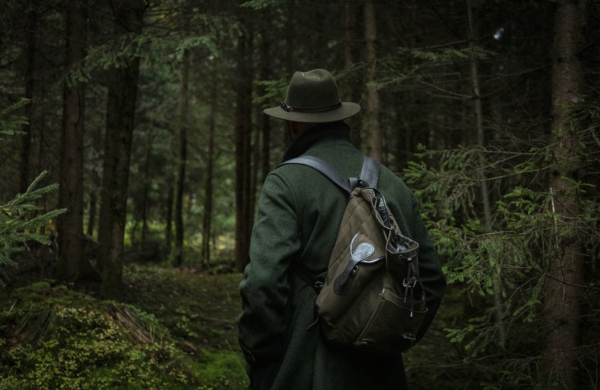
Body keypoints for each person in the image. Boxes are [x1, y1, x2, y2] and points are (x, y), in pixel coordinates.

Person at [237, 69, 446, 390]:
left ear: (293, 125)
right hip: (382, 371)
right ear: (340, 120)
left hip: (303, 367)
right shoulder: (394, 184)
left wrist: (262, 352)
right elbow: (430, 279)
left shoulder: (285, 183)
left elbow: (263, 283)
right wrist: (393, 334)